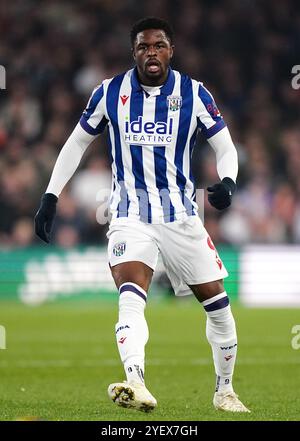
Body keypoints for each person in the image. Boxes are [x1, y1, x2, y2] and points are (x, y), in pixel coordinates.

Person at [34, 17, 250, 414]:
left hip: (182, 216)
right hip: (129, 215)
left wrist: (229, 181)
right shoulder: (109, 92)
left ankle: (225, 390)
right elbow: (76, 142)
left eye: (159, 45)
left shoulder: (193, 93)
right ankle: (136, 381)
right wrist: (50, 195)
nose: (151, 53)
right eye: (143, 47)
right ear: (134, 52)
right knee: (131, 297)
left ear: (171, 50)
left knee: (219, 308)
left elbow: (225, 146)